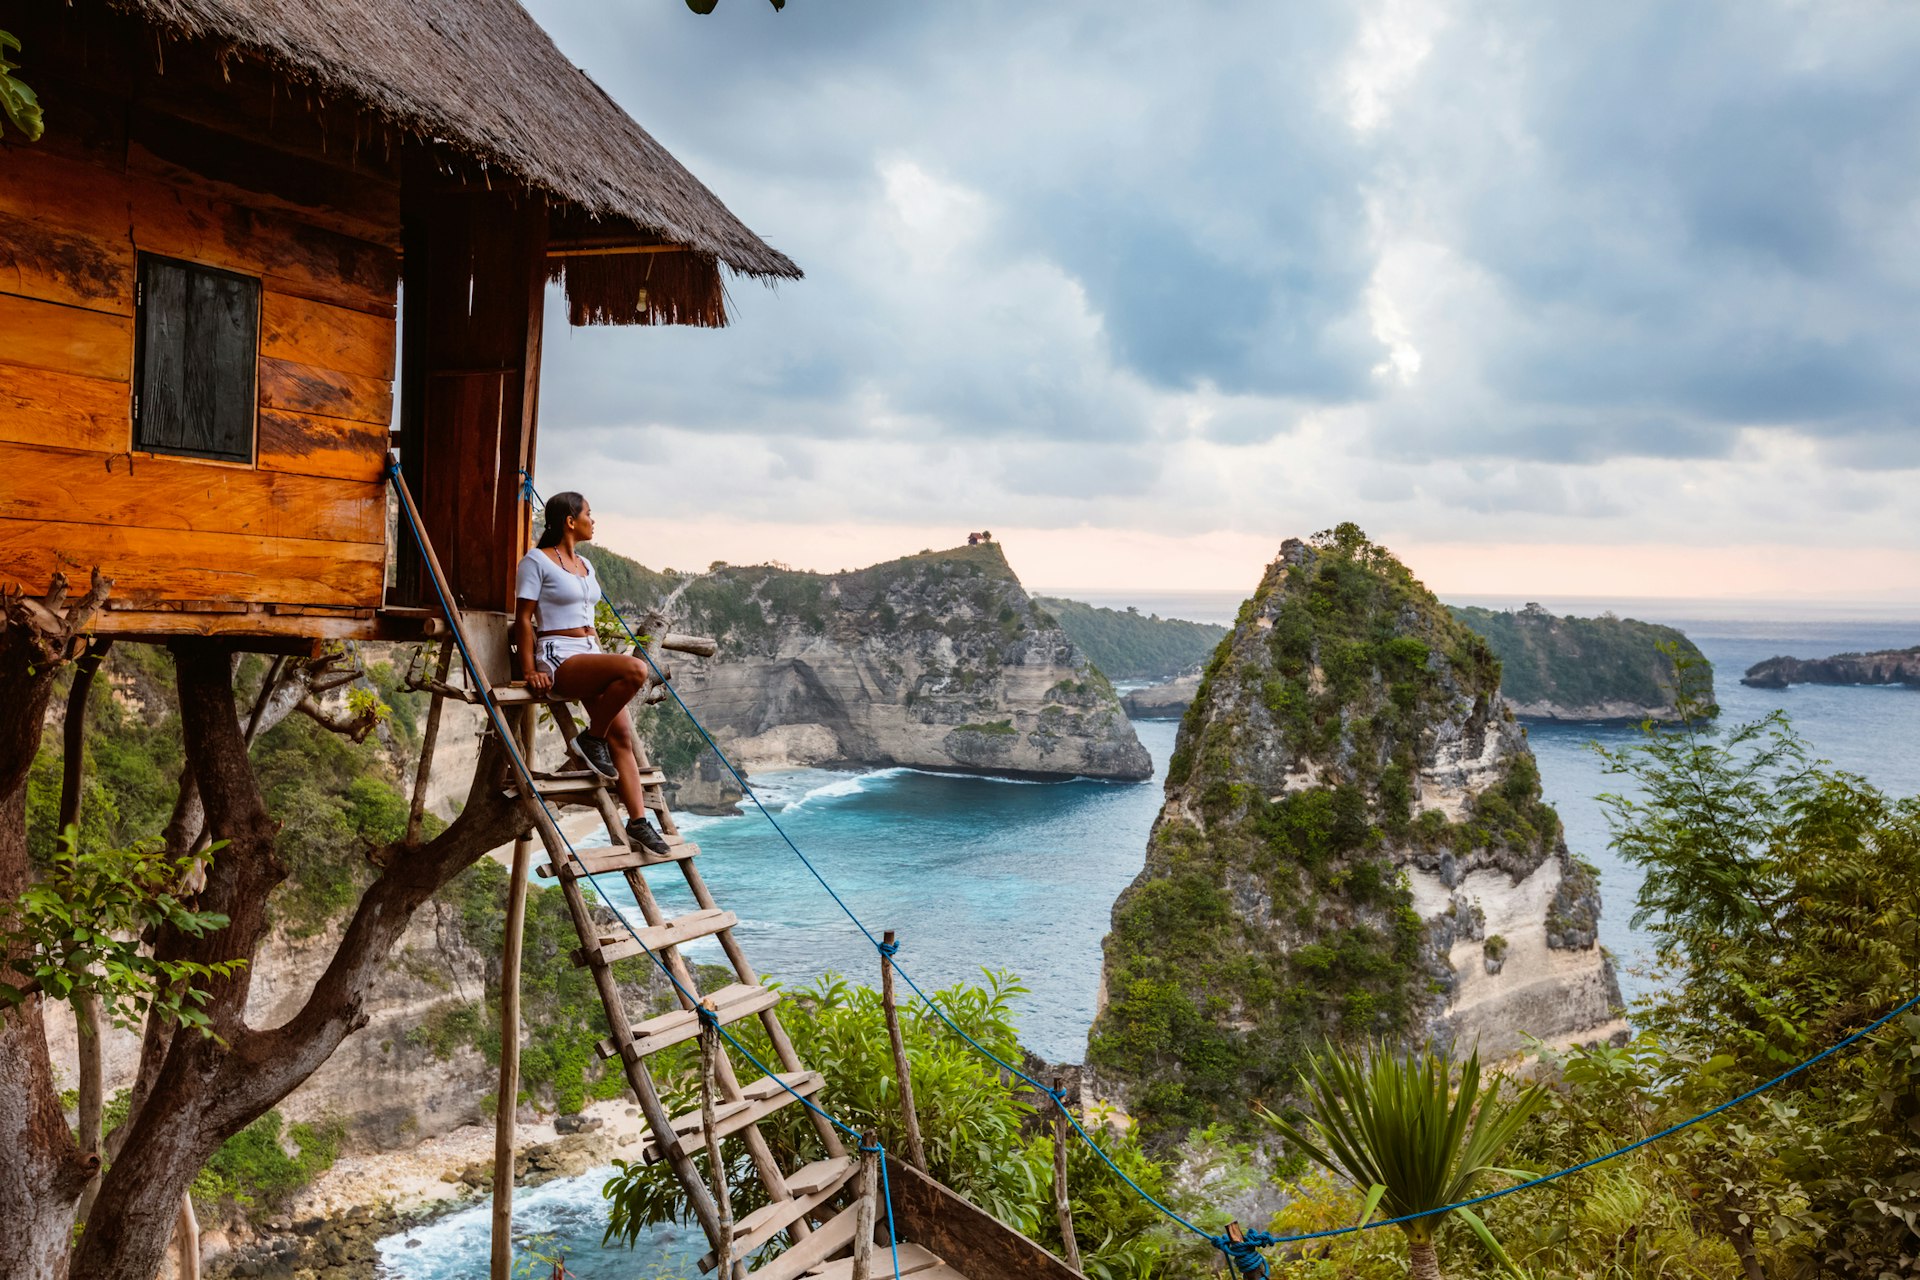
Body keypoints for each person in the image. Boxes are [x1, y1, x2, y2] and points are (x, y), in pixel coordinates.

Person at [513, 491, 671, 855]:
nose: (593, 520)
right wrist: (529, 669)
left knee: (623, 737)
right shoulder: (536, 562)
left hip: (589, 652)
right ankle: (589, 739)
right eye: (588, 513)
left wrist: (599, 652)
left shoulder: (586, 564)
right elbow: (523, 618)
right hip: (558, 655)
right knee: (636, 669)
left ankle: (638, 822)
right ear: (570, 521)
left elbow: (587, 619)